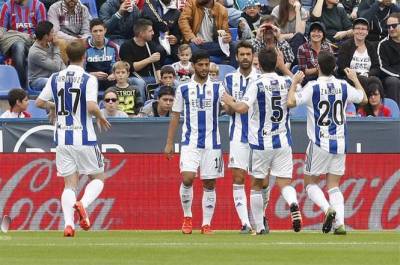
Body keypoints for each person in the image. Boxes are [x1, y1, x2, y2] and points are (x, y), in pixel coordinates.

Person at [35, 40, 111, 237]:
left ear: (65, 57)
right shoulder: (88, 79)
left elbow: (39, 102)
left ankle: (69, 225)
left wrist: (53, 106)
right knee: (99, 178)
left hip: (62, 138)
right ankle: (83, 204)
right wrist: (101, 117)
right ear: (84, 57)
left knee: (70, 184)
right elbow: (92, 106)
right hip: (84, 136)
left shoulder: (54, 77)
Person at [222, 47, 302, 235]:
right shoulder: (286, 81)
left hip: (261, 142)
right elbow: (298, 89)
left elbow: (241, 108)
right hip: (283, 141)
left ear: (260, 63)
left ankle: (258, 227)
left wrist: (229, 100)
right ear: (276, 63)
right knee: (284, 182)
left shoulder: (257, 83)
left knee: (257, 185)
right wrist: (290, 73)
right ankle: (293, 202)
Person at [287, 51, 368, 235]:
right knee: (333, 185)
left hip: (319, 143)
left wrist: (294, 83)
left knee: (309, 184)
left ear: (318, 67)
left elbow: (291, 102)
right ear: (334, 67)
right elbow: (363, 99)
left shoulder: (312, 88)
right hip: (340, 143)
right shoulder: (343, 86)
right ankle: (340, 224)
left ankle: (327, 209)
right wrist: (355, 79)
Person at [164, 49, 226, 235]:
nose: (205, 68)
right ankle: (188, 217)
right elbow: (175, 115)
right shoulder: (183, 88)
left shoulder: (218, 87)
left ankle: (206, 223)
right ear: (193, 66)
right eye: (201, 65)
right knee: (188, 177)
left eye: (207, 64)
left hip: (212, 143)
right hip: (190, 142)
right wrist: (169, 142)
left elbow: (230, 105)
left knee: (209, 183)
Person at [222, 41, 260, 234]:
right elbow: (228, 109)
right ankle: (245, 222)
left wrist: (234, 103)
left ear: (253, 56)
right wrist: (232, 105)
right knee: (238, 177)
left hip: (259, 136)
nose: (245, 57)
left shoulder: (261, 79)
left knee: (261, 181)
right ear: (236, 57)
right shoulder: (229, 79)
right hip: (237, 134)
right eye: (242, 54)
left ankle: (261, 219)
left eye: (248, 54)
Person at [0, 0, 47, 89]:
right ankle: (22, 88)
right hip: (14, 43)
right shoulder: (7, 6)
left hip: (34, 42)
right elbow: (2, 29)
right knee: (19, 47)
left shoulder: (38, 6)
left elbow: (43, 31)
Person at [178, 0, 234, 65]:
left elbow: (226, 31)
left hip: (214, 45)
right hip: (197, 45)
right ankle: (213, 61)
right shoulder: (191, 3)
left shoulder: (222, 10)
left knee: (235, 46)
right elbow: (183, 20)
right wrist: (192, 37)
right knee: (190, 48)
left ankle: (231, 70)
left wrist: (227, 37)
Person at [119, 18, 161, 101]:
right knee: (140, 83)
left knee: (170, 80)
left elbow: (157, 66)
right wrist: (149, 59)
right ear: (141, 33)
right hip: (132, 77)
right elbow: (130, 67)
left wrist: (160, 79)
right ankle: (141, 109)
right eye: (150, 31)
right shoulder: (126, 46)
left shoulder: (151, 44)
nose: (153, 33)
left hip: (151, 76)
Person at [337, 18, 380, 83]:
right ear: (353, 31)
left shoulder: (371, 46)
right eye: (358, 28)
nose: (360, 31)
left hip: (368, 79)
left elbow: (376, 67)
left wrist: (367, 74)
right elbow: (341, 67)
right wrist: (356, 75)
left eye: (363, 29)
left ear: (367, 32)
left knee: (376, 82)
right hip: (350, 79)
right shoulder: (345, 46)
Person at [28, 21, 66, 91]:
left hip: (51, 77)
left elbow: (60, 62)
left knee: (67, 80)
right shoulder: (35, 52)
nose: (54, 34)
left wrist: (66, 74)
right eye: (52, 32)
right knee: (54, 82)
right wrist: (56, 47)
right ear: (45, 36)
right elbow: (56, 67)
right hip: (37, 81)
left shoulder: (50, 44)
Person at [85, 18, 120, 91]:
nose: (98, 34)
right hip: (90, 79)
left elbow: (116, 66)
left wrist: (113, 74)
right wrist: (91, 74)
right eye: (95, 31)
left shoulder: (112, 46)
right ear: (90, 32)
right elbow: (79, 70)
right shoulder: (84, 48)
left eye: (100, 31)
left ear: (105, 30)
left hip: (108, 79)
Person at [377, 12, 400, 105]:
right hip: (391, 76)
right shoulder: (383, 44)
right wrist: (398, 75)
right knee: (393, 82)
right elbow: (382, 67)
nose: (391, 29)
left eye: (394, 26)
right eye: (388, 26)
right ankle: (395, 116)